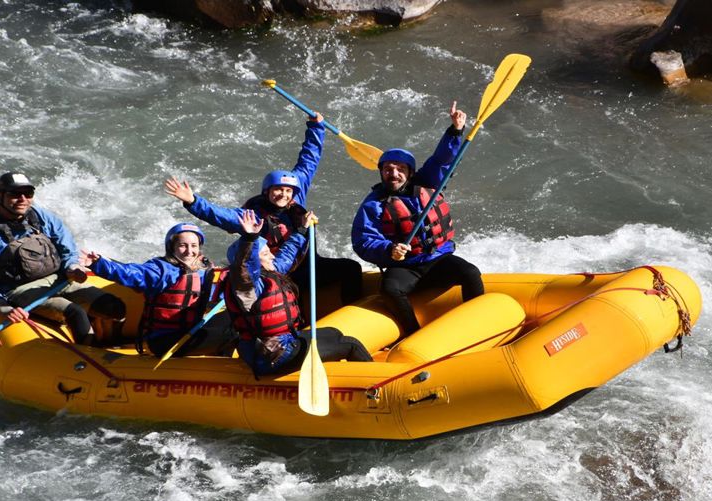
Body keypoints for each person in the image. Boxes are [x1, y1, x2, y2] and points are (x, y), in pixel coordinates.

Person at [164, 111, 363, 308]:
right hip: (276, 272)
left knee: (351, 268)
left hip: (308, 264)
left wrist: (316, 128)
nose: (283, 195)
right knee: (292, 298)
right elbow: (219, 215)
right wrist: (192, 201)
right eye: (278, 190)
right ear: (267, 191)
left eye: (287, 191)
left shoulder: (295, 198)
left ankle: (354, 315)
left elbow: (308, 161)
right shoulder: (253, 215)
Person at [351, 102, 484, 334]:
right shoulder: (374, 203)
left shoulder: (429, 182)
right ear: (381, 172)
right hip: (407, 266)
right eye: (388, 169)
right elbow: (363, 240)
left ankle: (479, 325)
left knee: (470, 272)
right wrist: (388, 249)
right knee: (390, 289)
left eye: (400, 169)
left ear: (410, 173)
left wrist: (455, 130)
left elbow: (442, 159)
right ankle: (412, 332)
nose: (394, 173)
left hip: (437, 258)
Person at [0, 172, 126, 345]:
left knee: (114, 306)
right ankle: (90, 351)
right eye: (15, 194)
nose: (23, 199)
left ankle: (109, 348)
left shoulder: (41, 216)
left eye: (28, 194)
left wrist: (71, 267)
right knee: (75, 313)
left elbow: (67, 248)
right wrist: (1, 306)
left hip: (60, 279)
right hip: (19, 290)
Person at [226, 209, 372, 377]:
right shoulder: (247, 286)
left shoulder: (270, 272)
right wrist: (248, 238)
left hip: (283, 342)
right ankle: (376, 390)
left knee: (334, 332)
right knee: (352, 345)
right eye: (266, 254)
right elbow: (242, 267)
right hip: (271, 356)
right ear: (253, 261)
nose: (272, 257)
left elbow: (286, 254)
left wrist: (302, 229)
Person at [79, 223, 237, 358]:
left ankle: (223, 359)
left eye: (194, 246)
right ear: (171, 248)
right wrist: (98, 264)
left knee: (238, 319)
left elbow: (215, 297)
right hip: (165, 341)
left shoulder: (202, 272)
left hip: (189, 332)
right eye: (182, 245)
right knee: (233, 333)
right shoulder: (160, 270)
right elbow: (130, 273)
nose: (189, 251)